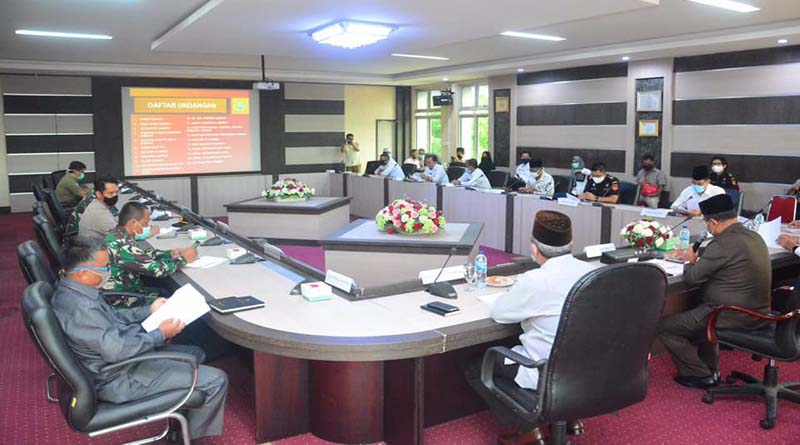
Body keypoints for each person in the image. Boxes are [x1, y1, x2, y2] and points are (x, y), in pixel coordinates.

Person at [51, 236, 228, 440]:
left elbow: (113, 317)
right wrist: (161, 334)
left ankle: (180, 420)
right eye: (105, 268)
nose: (109, 271)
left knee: (195, 353)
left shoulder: (74, 290)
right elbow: (119, 351)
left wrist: (148, 310)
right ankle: (193, 440)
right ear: (83, 273)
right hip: (119, 377)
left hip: (114, 363)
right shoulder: (82, 309)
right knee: (216, 379)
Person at [466, 210, 595, 443]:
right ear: (571, 244)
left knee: (476, 366)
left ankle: (528, 431)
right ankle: (570, 416)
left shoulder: (537, 280)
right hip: (587, 368)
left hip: (546, 370)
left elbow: (500, 313)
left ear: (533, 248)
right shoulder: (591, 272)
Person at [658, 194, 771, 388]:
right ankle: (711, 368)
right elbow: (725, 260)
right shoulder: (753, 236)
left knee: (664, 327)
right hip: (758, 311)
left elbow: (692, 278)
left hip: (729, 313)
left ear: (712, 222)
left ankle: (701, 374)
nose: (707, 228)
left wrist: (690, 261)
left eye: (706, 224)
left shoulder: (722, 243)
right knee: (698, 311)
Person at [105, 202, 197, 304]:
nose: (148, 226)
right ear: (133, 223)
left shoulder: (116, 234)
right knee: (176, 300)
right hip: (122, 298)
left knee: (164, 291)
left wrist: (169, 253)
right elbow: (157, 270)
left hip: (124, 288)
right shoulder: (124, 245)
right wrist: (183, 259)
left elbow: (140, 256)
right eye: (145, 223)